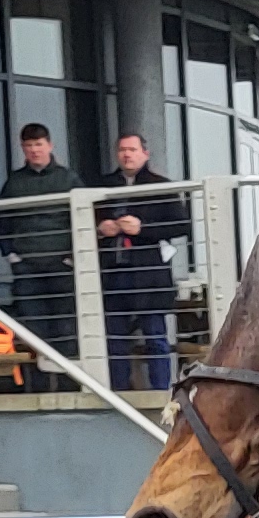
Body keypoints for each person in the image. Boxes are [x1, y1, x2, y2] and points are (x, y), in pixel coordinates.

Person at [95, 130, 188, 393]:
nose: (127, 155)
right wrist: (101, 229)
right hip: (113, 270)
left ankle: (161, 391)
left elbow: (182, 225)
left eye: (132, 150)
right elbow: (86, 220)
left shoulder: (160, 185)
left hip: (148, 273)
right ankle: (119, 391)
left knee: (155, 335)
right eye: (122, 150)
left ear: (145, 154)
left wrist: (143, 228)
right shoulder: (103, 186)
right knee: (115, 338)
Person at [0, 122, 85, 386]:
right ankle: (38, 389)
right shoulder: (14, 182)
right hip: (27, 268)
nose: (34, 150)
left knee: (66, 329)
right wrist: (12, 256)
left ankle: (69, 387)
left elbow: (83, 218)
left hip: (61, 266)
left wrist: (71, 257)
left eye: (38, 144)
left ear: (50, 145)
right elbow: (3, 223)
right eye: (29, 145)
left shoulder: (69, 179)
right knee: (32, 330)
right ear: (22, 148)